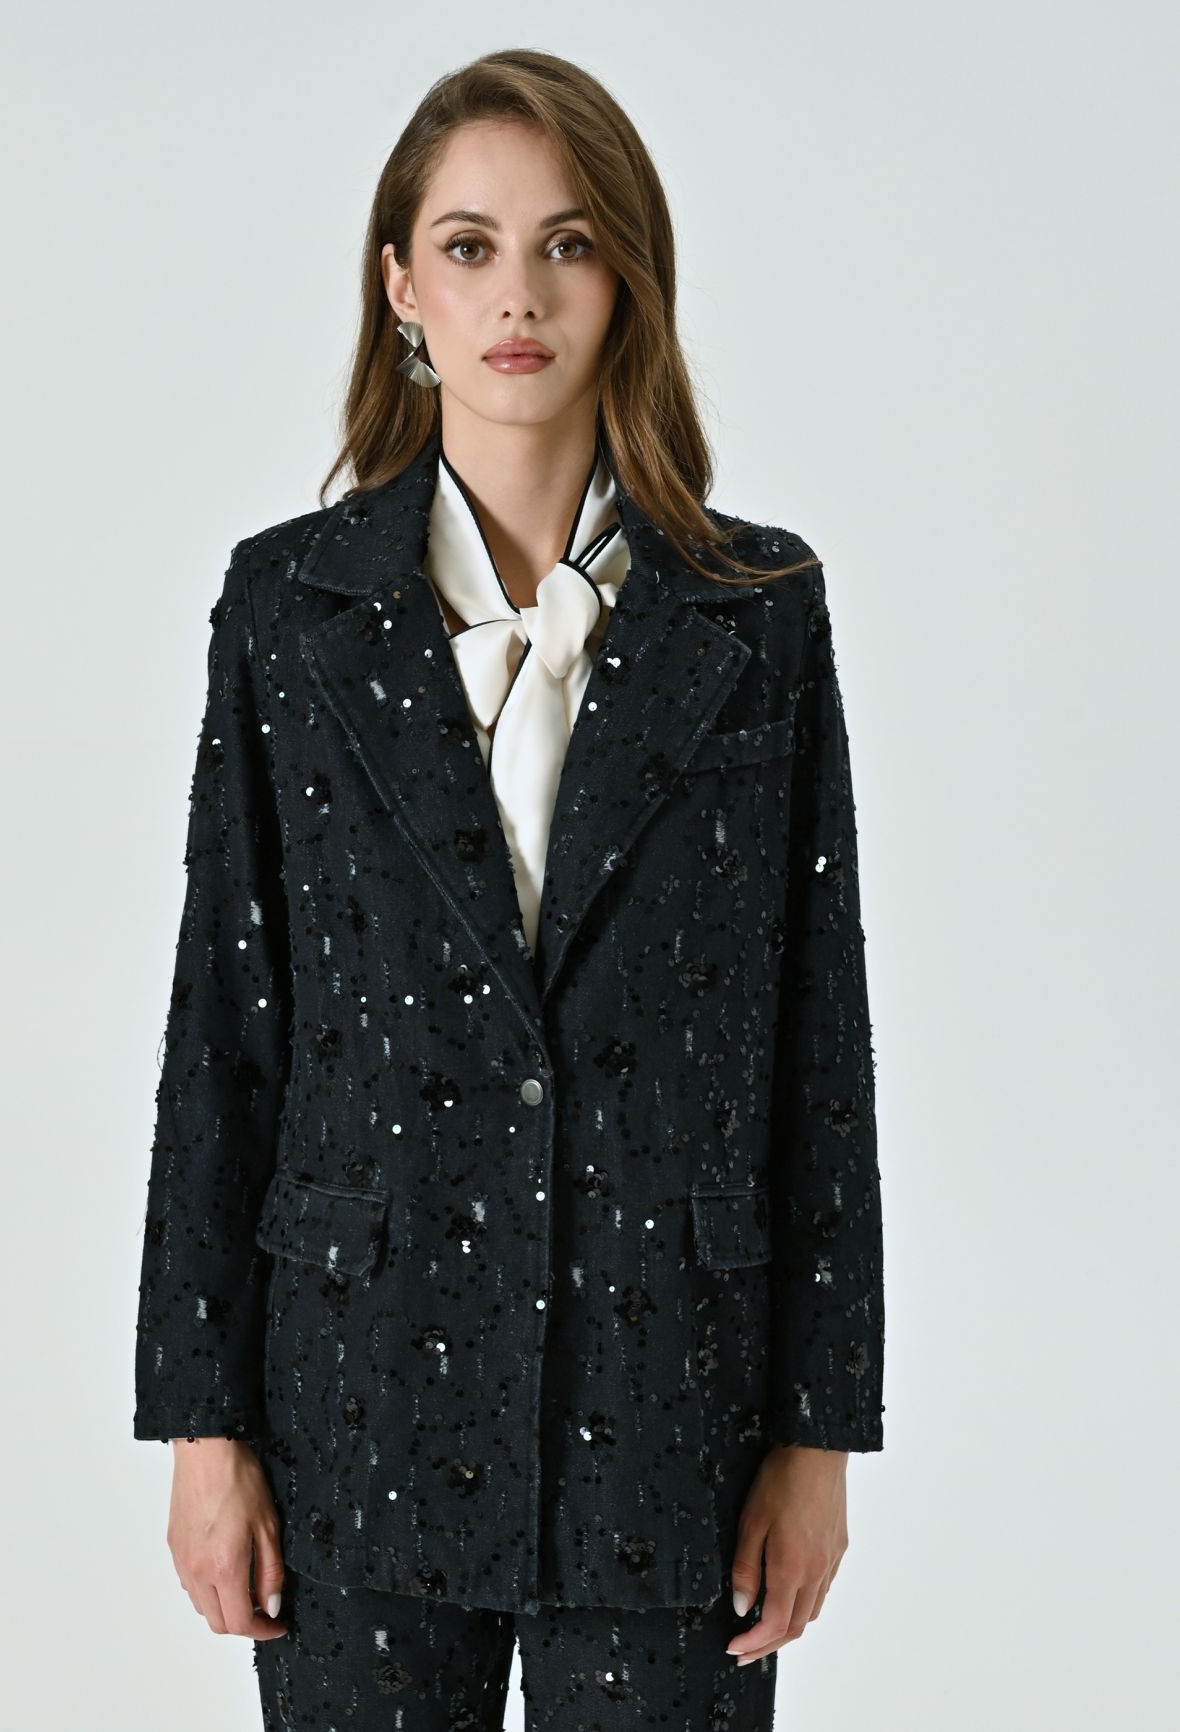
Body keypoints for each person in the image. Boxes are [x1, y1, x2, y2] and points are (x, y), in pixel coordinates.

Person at [133, 46, 885, 1731]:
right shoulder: (289, 613)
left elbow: (814, 1035)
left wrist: (819, 1431)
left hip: (673, 1397)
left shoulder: (758, 612)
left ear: (628, 280)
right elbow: (224, 1032)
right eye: (469, 247)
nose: (518, 296)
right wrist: (203, 1424)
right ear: (402, 286)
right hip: (356, 1393)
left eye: (569, 244)